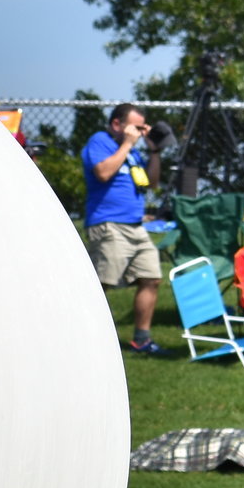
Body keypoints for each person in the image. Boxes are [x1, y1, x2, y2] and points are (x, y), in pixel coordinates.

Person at [81, 104, 165, 357]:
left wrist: (154, 151)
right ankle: (88, 338)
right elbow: (103, 173)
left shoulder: (134, 153)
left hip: (136, 227)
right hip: (109, 225)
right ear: (117, 124)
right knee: (101, 285)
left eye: (142, 128)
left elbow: (152, 182)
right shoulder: (100, 142)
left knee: (151, 278)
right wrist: (127, 144)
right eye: (136, 127)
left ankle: (142, 339)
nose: (140, 132)